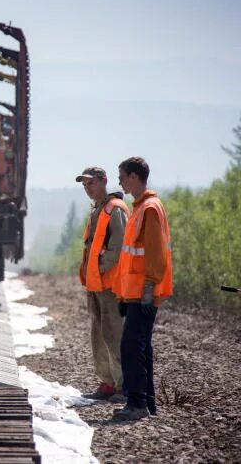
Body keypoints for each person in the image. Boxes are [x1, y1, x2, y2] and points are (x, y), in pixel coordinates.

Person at [112, 157, 173, 421]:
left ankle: (137, 404)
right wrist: (125, 295)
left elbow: (156, 256)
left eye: (122, 176)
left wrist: (148, 289)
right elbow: (132, 258)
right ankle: (146, 403)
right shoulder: (139, 207)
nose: (120, 181)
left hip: (145, 292)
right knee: (141, 346)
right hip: (136, 292)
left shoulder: (148, 208)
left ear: (134, 177)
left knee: (131, 346)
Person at [75, 166, 129, 402]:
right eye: (85, 185)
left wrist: (100, 268)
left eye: (91, 183)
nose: (88, 189)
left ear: (104, 181)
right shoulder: (98, 210)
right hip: (95, 285)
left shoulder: (115, 209)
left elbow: (119, 247)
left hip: (110, 286)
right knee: (98, 335)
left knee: (114, 335)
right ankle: (107, 383)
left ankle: (122, 386)